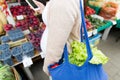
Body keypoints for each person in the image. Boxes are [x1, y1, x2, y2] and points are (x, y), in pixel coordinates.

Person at [33, 0, 83, 76]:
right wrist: (46, 10)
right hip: (64, 54)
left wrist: (48, 67)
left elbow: (56, 46)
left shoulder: (62, 3)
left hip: (61, 57)